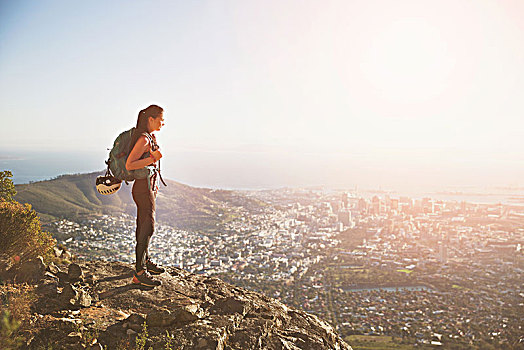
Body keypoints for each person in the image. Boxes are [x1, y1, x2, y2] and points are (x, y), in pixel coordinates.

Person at [126, 105, 165, 287]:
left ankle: (145, 261)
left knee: (143, 225)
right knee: (147, 227)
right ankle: (139, 272)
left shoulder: (149, 137)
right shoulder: (144, 139)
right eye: (160, 119)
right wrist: (153, 158)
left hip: (146, 188)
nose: (162, 123)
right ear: (151, 119)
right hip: (142, 189)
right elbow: (129, 164)